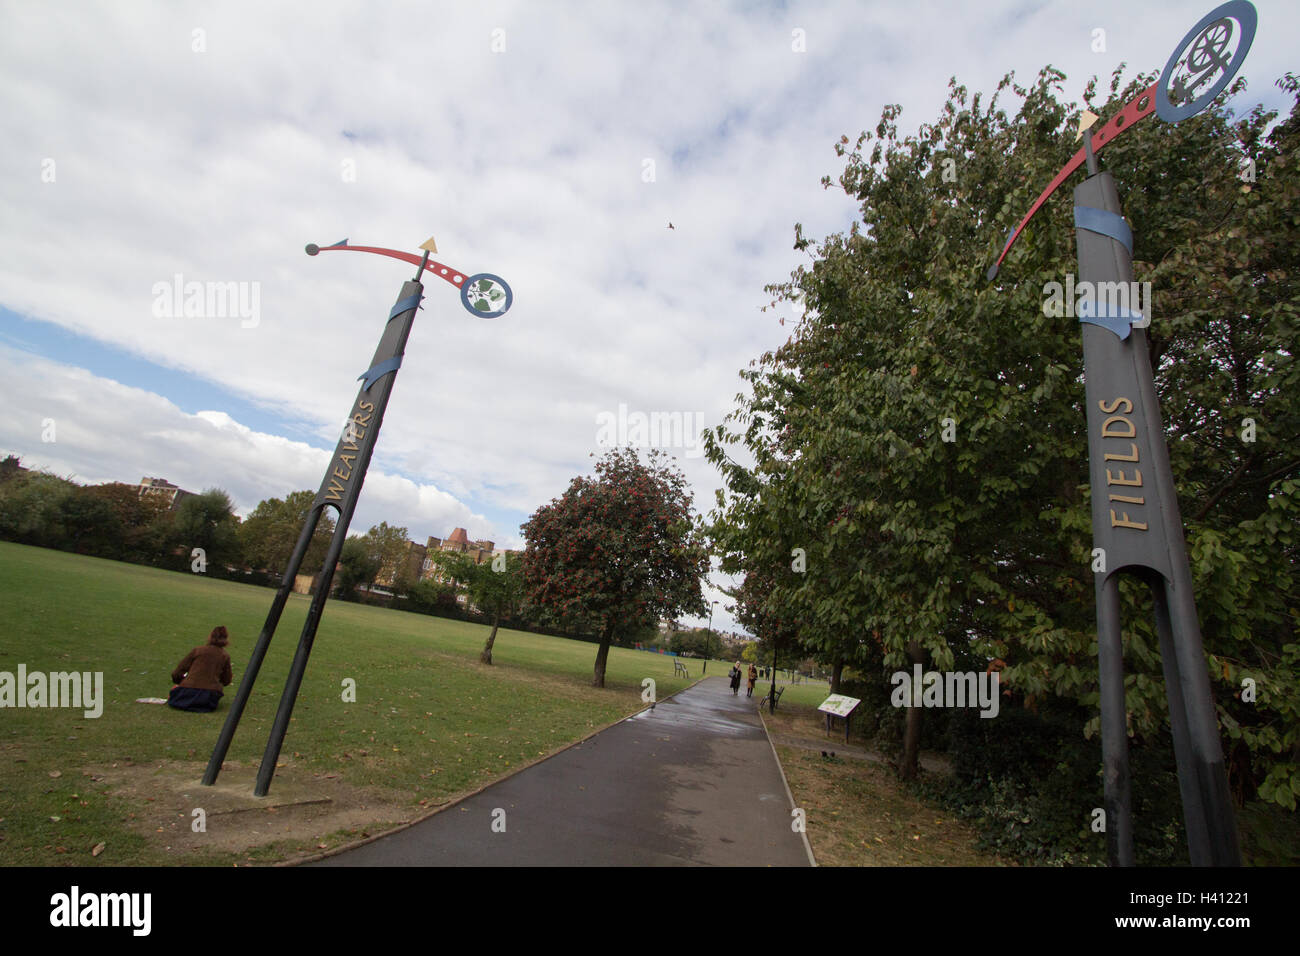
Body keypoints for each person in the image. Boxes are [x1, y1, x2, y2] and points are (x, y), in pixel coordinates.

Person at [168, 626, 233, 712]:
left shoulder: (198, 650)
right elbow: (226, 680)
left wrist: (182, 683)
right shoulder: (224, 656)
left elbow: (178, 672)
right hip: (208, 697)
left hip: (187, 692)